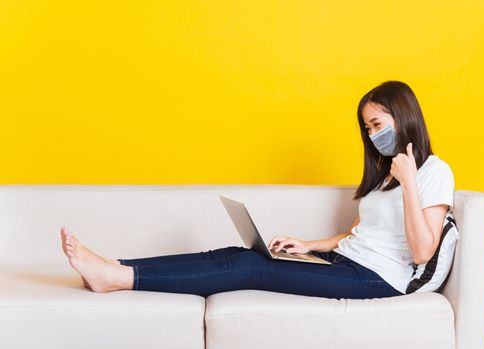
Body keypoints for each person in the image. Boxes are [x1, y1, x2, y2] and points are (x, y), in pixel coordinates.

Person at [60, 80, 454, 299]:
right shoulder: (386, 173)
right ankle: (117, 266)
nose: (372, 135)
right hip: (346, 261)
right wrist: (310, 244)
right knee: (238, 253)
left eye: (377, 123)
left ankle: (119, 279)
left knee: (248, 268)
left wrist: (408, 186)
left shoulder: (434, 173)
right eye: (367, 128)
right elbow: (364, 234)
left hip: (378, 279)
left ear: (403, 117)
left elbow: (422, 251)